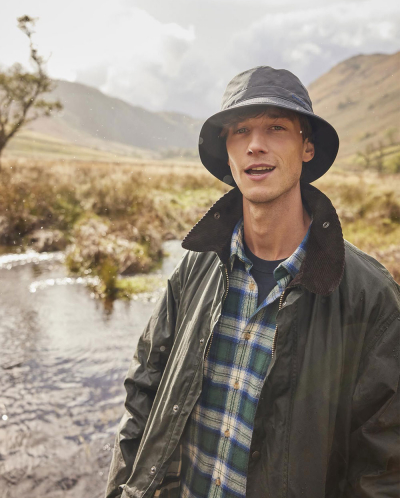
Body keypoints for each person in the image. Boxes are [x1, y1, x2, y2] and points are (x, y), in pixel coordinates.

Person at [105, 67, 400, 498]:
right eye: (240, 130)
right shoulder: (194, 270)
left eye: (276, 127)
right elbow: (143, 392)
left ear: (306, 147)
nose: (255, 145)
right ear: (227, 154)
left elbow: (384, 470)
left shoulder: (370, 298)